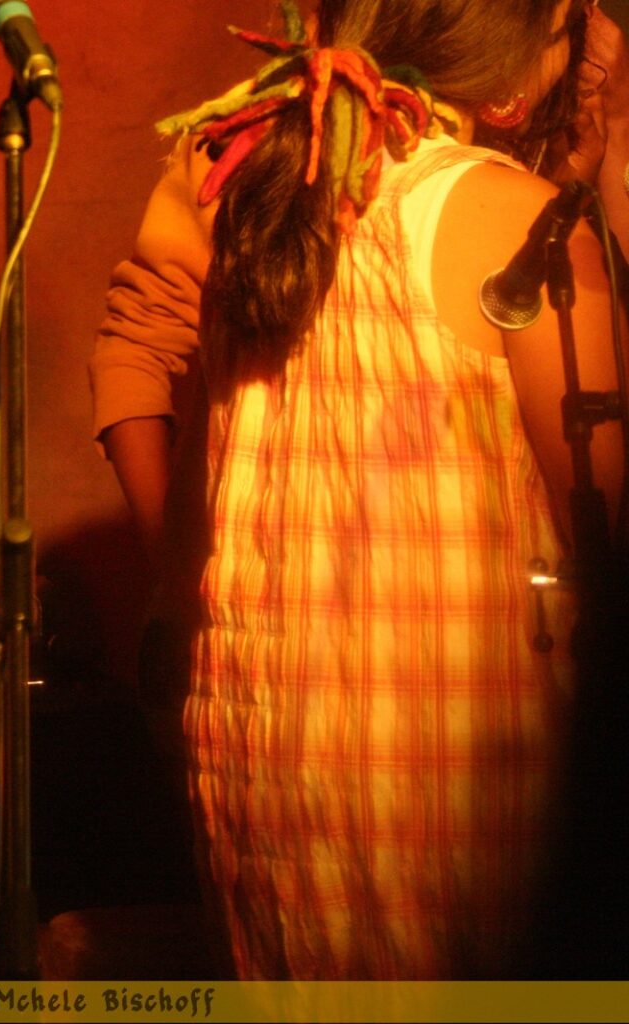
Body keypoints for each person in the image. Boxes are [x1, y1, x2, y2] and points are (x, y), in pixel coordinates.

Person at [91, 0, 626, 979]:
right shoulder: (521, 225)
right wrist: (614, 180)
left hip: (270, 756)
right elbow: (606, 530)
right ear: (518, 56)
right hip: (462, 775)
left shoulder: (251, 172)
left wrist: (187, 589)